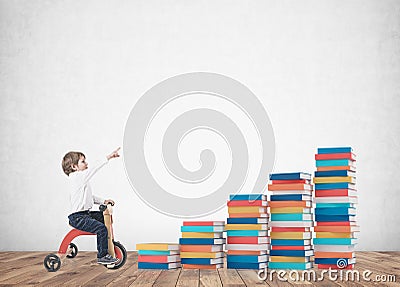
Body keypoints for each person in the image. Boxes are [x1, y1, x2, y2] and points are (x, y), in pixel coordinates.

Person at [61, 147, 121, 265]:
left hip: (85, 215)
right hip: (78, 217)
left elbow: (90, 197)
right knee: (101, 228)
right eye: (83, 162)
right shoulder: (77, 177)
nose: (86, 163)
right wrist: (108, 157)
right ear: (74, 167)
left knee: (105, 218)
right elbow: (94, 168)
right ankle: (102, 256)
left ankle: (109, 244)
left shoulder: (81, 180)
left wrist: (104, 201)